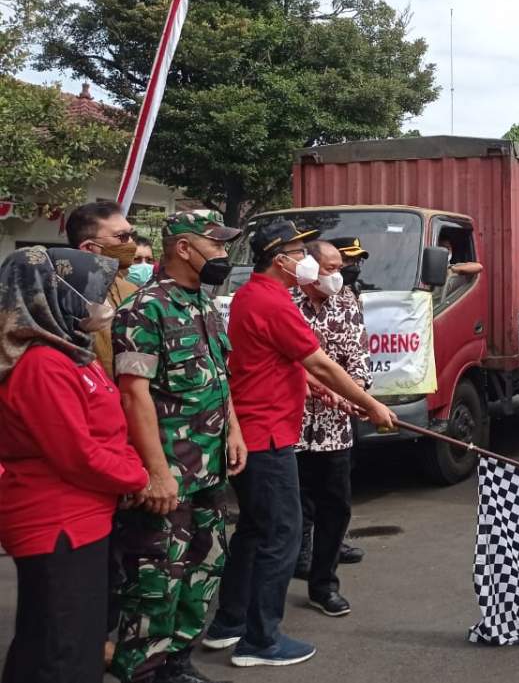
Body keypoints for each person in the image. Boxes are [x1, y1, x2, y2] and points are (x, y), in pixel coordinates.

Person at [203, 220, 400, 669]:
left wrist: (312, 385)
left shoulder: (256, 295)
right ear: (281, 261)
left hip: (261, 427)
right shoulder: (273, 301)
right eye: (300, 252)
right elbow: (322, 362)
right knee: (282, 534)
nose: (308, 260)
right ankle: (260, 640)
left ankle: (228, 623)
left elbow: (287, 362)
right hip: (266, 433)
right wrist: (371, 405)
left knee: (255, 531)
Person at [110, 211, 248, 683]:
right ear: (184, 248)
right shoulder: (145, 308)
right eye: (216, 245)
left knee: (203, 570)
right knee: (156, 583)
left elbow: (217, 378)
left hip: (209, 469)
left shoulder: (204, 306)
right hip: (169, 473)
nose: (224, 255)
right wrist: (157, 471)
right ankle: (142, 670)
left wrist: (234, 429)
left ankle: (176, 664)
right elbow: (133, 393)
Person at [0, 247, 150, 683]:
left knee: (61, 637)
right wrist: (137, 475)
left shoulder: (67, 352)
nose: (102, 306)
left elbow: (106, 432)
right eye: (91, 294)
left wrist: (127, 462)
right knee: (60, 647)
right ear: (55, 297)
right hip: (57, 520)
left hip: (83, 515)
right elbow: (77, 453)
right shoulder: (42, 364)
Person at [290, 241, 372, 617]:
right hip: (290, 423)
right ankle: (285, 574)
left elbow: (357, 354)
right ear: (307, 268)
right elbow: (289, 363)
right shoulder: (286, 303)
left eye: (339, 267)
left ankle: (323, 585)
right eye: (328, 267)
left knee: (335, 506)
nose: (336, 275)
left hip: (335, 425)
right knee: (292, 509)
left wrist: (359, 397)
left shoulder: (347, 301)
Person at [66, 199, 141, 380]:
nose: (131, 243)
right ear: (89, 248)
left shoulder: (132, 290)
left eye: (132, 235)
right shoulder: (66, 298)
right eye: (122, 237)